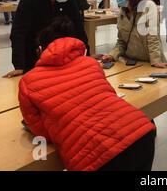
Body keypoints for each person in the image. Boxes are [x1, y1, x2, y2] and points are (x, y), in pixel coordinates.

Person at [19, 16, 156, 171]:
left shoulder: (29, 81)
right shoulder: (90, 63)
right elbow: (105, 94)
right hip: (141, 133)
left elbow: (42, 132)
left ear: (40, 50)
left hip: (97, 156)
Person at [4, 0, 88, 77]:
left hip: (60, 48)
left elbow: (78, 23)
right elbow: (19, 30)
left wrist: (87, 52)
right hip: (34, 47)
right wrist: (19, 65)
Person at [101, 0, 167, 68]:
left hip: (149, 61)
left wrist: (156, 60)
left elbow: (153, 37)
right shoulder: (122, 13)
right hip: (130, 61)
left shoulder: (148, 6)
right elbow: (121, 41)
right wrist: (112, 55)